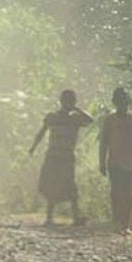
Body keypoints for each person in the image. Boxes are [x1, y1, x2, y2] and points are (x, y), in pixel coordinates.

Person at [29, 88, 93, 226]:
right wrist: (33, 147)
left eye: (71, 101)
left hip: (64, 155)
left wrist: (76, 109)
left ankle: (73, 217)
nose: (68, 103)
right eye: (67, 101)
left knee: (69, 185)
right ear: (62, 102)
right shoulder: (54, 117)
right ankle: (50, 217)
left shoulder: (74, 118)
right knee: (53, 184)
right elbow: (41, 132)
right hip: (55, 155)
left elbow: (90, 120)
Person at [99, 86, 132, 236]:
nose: (122, 104)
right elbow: (104, 142)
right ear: (114, 102)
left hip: (130, 162)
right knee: (116, 193)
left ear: (128, 102)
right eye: (119, 101)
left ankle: (126, 224)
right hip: (114, 162)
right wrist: (102, 162)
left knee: (128, 194)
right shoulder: (110, 120)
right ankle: (117, 222)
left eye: (124, 101)